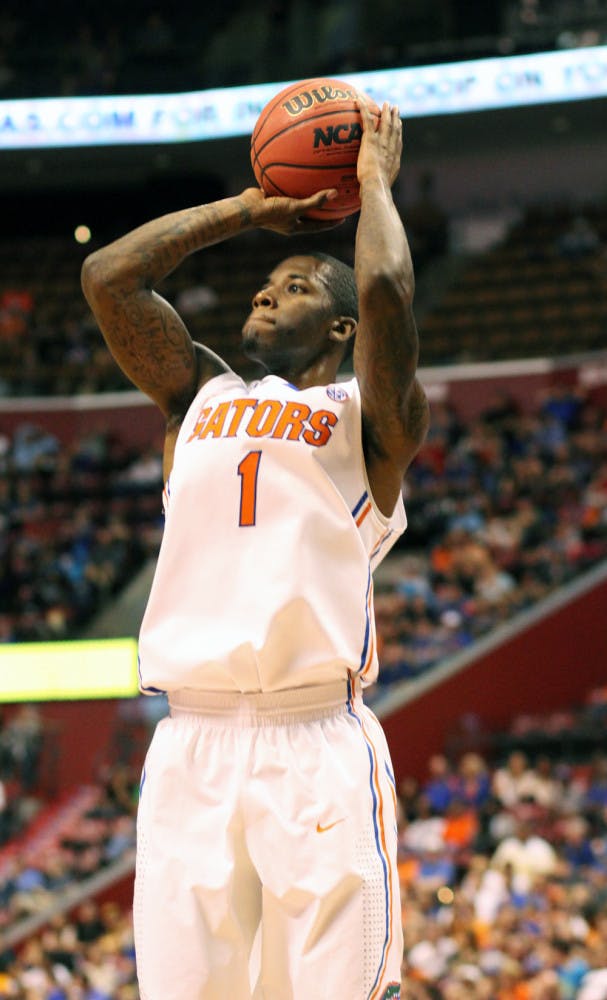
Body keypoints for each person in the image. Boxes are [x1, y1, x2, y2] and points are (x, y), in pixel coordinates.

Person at [81, 95, 429, 1000]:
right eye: (262, 282)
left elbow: (387, 289)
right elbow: (110, 278)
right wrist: (245, 209)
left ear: (343, 330)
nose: (266, 289)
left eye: (298, 285)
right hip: (188, 742)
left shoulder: (368, 418)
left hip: (311, 740)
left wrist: (372, 185)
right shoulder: (194, 393)